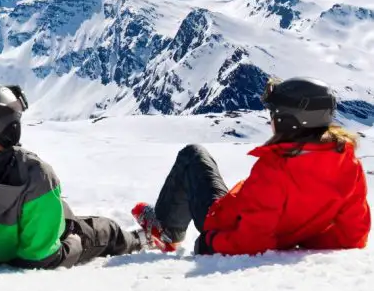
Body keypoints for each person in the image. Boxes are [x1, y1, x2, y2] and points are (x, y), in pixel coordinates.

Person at [0, 81, 143, 268]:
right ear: (6, 126)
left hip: (1, 246)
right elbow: (40, 258)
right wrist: (74, 240)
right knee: (106, 230)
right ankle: (142, 240)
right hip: (56, 235)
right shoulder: (36, 175)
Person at [133, 76, 371, 256]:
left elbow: (251, 241)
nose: (271, 121)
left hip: (221, 222)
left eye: (275, 114)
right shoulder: (348, 164)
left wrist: (211, 241)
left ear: (288, 121)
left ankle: (165, 231)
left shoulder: (276, 169)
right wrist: (300, 238)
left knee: (193, 155)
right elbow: (353, 236)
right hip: (255, 217)